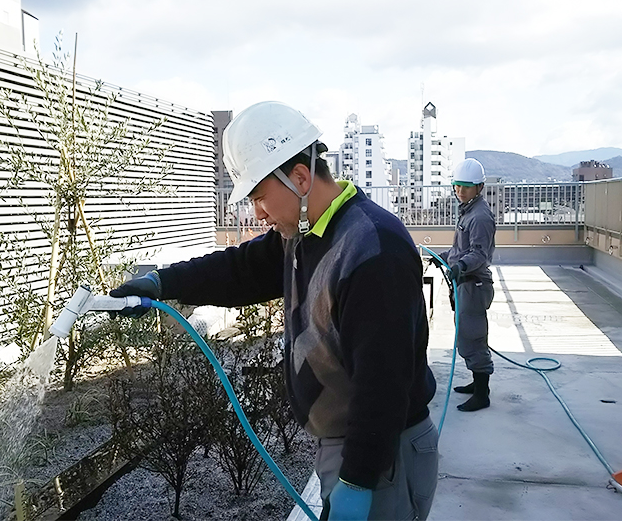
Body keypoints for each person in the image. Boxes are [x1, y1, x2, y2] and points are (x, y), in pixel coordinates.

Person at [110, 101, 439, 521]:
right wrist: (162, 283)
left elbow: (383, 387)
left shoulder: (372, 250)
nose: (258, 214)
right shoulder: (304, 231)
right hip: (351, 449)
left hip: (384, 456)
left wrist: (358, 484)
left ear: (300, 177)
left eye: (261, 197)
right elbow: (239, 270)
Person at [429, 157, 496, 412]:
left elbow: (479, 254)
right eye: (457, 186)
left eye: (465, 187)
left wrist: (461, 266)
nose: (460, 191)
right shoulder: (469, 211)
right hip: (465, 284)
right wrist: (446, 258)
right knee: (467, 337)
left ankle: (482, 393)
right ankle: (476, 383)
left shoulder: (479, 217)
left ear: (479, 187)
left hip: (474, 285)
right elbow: (462, 250)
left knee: (473, 338)